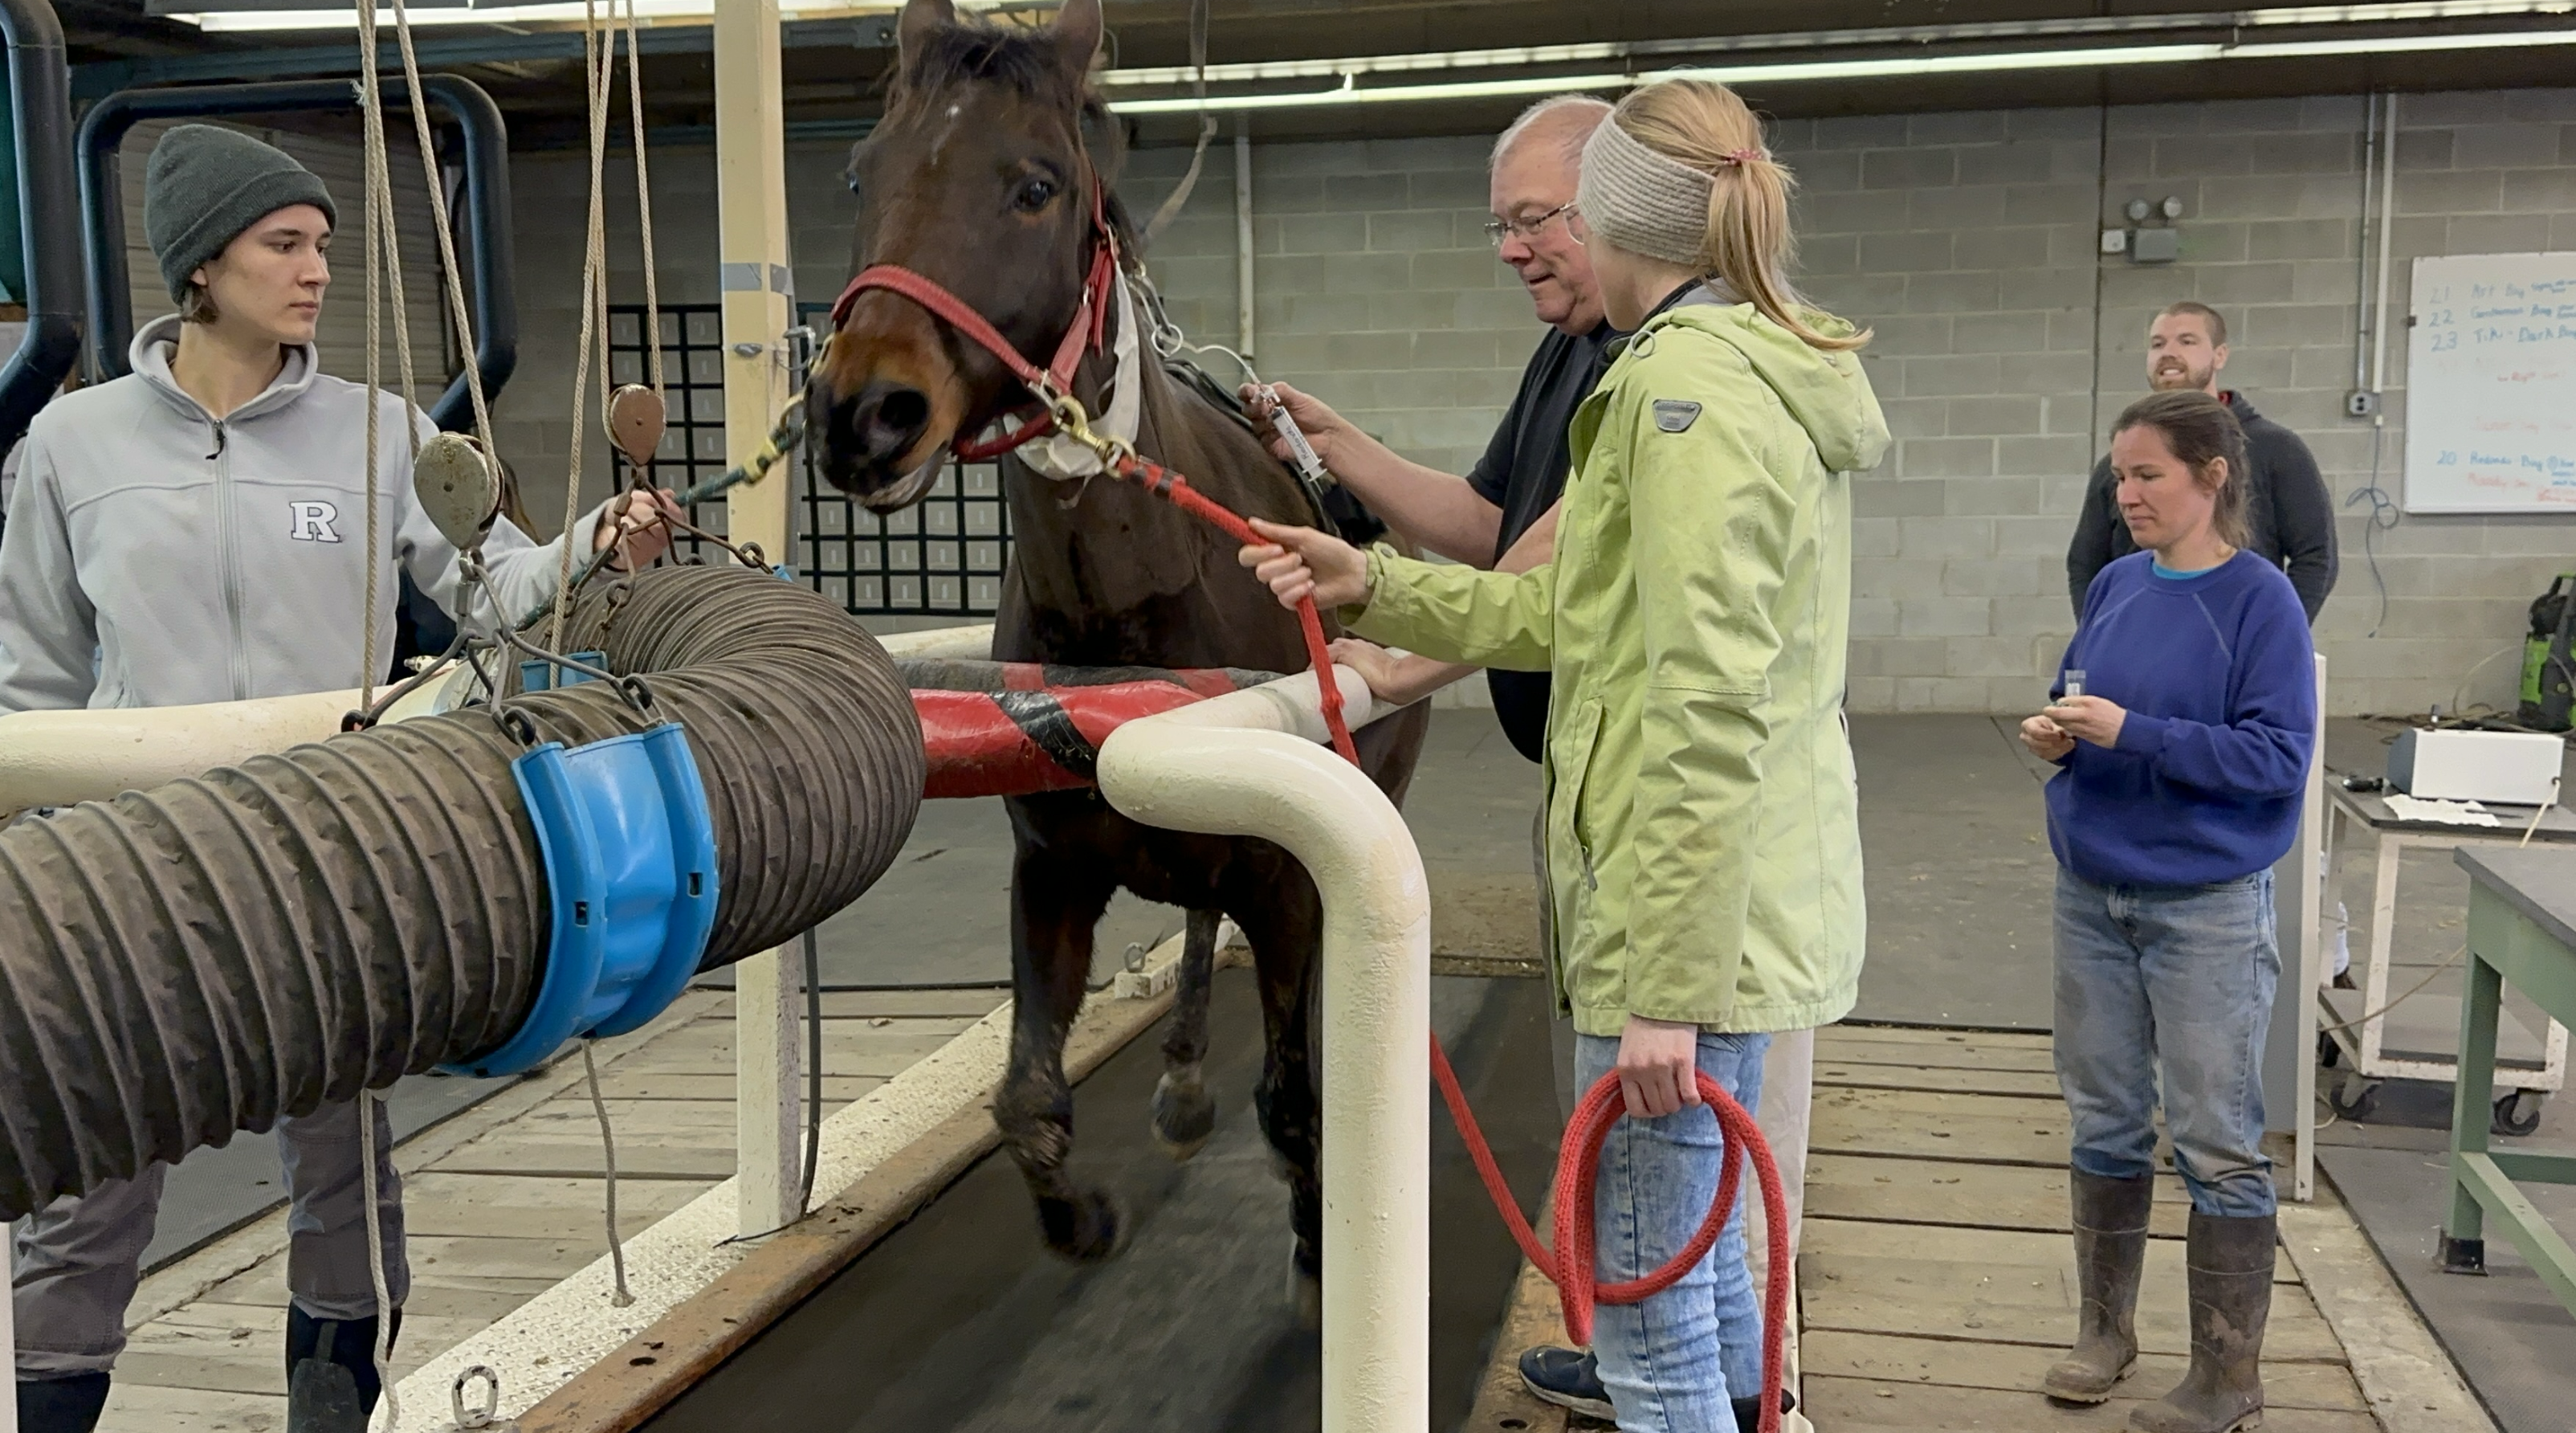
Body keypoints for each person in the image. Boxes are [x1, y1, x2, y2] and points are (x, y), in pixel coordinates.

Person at [0, 125, 677, 1433]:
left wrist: (599, 536)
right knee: (89, 1182)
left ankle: (333, 1408)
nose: (316, 270)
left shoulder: (379, 432)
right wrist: (41, 868)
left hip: (330, 851)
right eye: (286, 243)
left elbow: (494, 592)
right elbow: (31, 678)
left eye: (323, 244)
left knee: (344, 1169)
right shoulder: (70, 447)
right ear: (204, 265)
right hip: (135, 864)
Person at [1240, 77, 1885, 1433]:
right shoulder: (1705, 364)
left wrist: (1665, 988)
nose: (1526, 246)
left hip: (1679, 931)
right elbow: (1561, 608)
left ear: (1607, 221)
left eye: (1545, 215)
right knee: (1698, 1288)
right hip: (1712, 915)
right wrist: (1366, 581)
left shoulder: (1684, 398)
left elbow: (1701, 708)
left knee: (1650, 1341)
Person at [2020, 390, 2315, 1433]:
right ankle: (2105, 1333)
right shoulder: (2114, 584)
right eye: (2119, 475)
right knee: (2103, 1114)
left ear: (2212, 476)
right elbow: (2082, 697)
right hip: (2092, 893)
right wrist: (2060, 736)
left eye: (2147, 474)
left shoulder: (2259, 604)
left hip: (2206, 910)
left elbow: (2278, 760)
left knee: (2214, 1133)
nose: (2127, 493)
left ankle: (2228, 1377)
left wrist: (2132, 732)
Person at [2067, 302, 2337, 622]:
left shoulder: (2276, 449)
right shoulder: (2118, 463)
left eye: (2187, 341)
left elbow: (2317, 557)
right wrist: (2100, 638)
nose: (2168, 352)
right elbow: (2085, 563)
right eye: (2157, 343)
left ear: (2220, 355)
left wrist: (2271, 633)